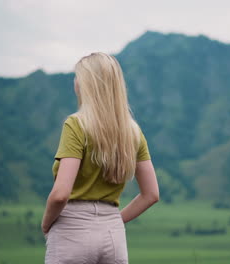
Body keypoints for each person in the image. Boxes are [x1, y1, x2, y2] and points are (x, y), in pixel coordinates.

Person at [41, 52, 159, 264]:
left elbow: (60, 194)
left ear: (88, 84)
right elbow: (151, 194)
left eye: (77, 76)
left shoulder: (76, 125)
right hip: (113, 234)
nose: (74, 81)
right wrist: (112, 221)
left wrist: (46, 223)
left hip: (72, 230)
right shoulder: (133, 131)